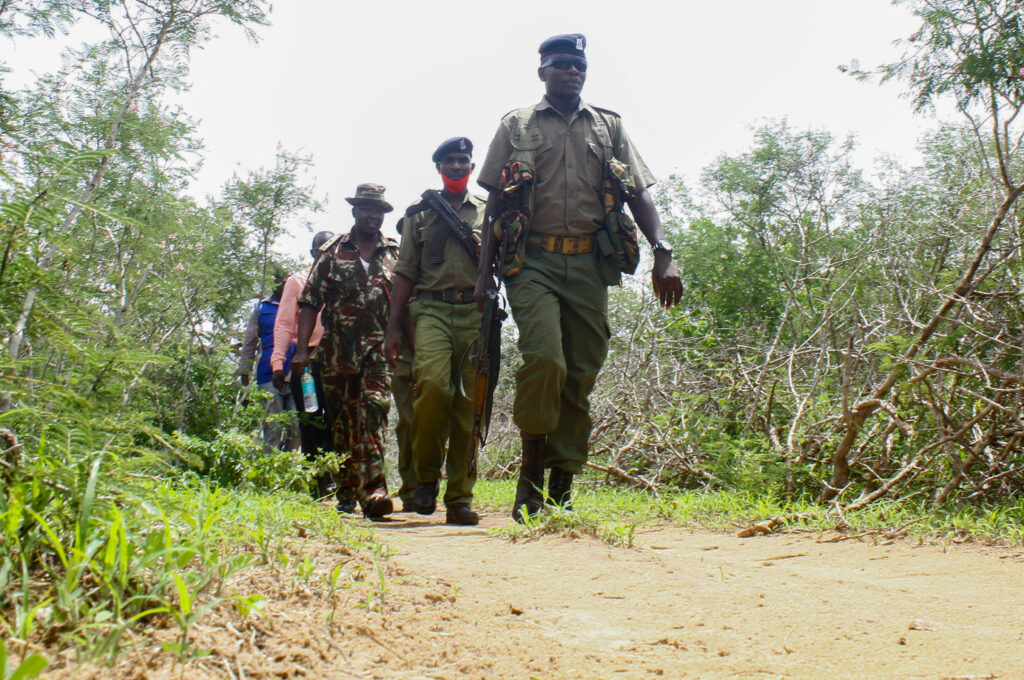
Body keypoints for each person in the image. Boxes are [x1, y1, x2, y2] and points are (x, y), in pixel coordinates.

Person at [475, 34, 683, 521]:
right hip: (532, 263)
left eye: (579, 65)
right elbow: (495, 205)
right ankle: (529, 479)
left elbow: (638, 193)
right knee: (545, 359)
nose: (573, 72)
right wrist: (485, 274)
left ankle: (561, 483)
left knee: (582, 370)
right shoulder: (517, 124)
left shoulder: (608, 126)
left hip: (591, 264)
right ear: (543, 71)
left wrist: (663, 251)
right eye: (562, 65)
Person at [385, 137, 485, 526]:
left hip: (476, 313)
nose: (457, 166)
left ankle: (460, 496)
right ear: (439, 167)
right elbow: (405, 271)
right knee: (433, 388)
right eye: (450, 161)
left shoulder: (489, 212)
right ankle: (424, 480)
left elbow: (509, 262)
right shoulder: (419, 214)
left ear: (472, 168)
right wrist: (393, 325)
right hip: (431, 309)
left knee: (468, 406)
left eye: (463, 161)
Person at [292, 184, 399, 519]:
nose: (373, 215)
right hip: (337, 352)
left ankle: (374, 492)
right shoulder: (332, 251)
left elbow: (406, 305)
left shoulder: (394, 254)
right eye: (367, 208)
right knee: (342, 423)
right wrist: (300, 352)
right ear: (355, 211)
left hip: (378, 352)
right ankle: (345, 492)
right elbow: (310, 302)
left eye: (379, 210)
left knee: (373, 413)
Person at [271, 231, 335, 500]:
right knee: (309, 419)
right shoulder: (297, 282)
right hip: (305, 361)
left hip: (336, 357)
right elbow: (285, 324)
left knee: (335, 418)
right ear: (312, 253)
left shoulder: (342, 282)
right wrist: (278, 362)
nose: (323, 254)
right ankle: (316, 481)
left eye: (328, 250)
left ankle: (336, 477)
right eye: (319, 250)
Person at [235, 269, 296, 454]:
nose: (282, 283)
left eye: (285, 279)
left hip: (296, 376)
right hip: (268, 377)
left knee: (298, 428)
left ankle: (289, 466)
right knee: (273, 428)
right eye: (278, 279)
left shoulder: (299, 305)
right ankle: (271, 472)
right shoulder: (261, 308)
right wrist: (244, 370)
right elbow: (250, 342)